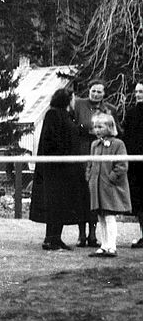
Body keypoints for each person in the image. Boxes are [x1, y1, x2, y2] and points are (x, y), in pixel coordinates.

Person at [29, 88, 89, 250]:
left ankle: (56, 238)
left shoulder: (65, 115)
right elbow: (51, 141)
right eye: (73, 98)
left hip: (65, 170)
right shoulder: (53, 114)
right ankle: (50, 239)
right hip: (56, 170)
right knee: (55, 204)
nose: (74, 101)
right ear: (67, 99)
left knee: (61, 204)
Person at [74, 78, 120, 247]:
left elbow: (116, 130)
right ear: (89, 90)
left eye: (99, 91)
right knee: (81, 194)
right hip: (82, 151)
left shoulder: (109, 109)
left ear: (104, 93)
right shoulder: (78, 104)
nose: (95, 94)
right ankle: (81, 234)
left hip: (101, 151)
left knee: (96, 192)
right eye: (93, 90)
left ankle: (93, 234)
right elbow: (73, 127)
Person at [86, 113, 131, 257]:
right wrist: (89, 176)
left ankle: (112, 246)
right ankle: (104, 245)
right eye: (95, 127)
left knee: (110, 216)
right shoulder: (94, 144)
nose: (97, 130)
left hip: (110, 186)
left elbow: (122, 165)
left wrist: (112, 177)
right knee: (101, 216)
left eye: (100, 126)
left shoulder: (118, 144)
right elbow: (90, 163)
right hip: (97, 185)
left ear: (110, 127)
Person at [121, 82, 143, 248]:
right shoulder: (131, 113)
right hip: (136, 165)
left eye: (141, 92)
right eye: (136, 92)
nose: (138, 95)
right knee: (139, 202)